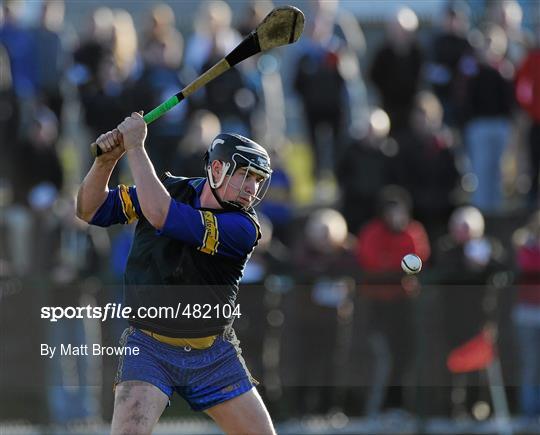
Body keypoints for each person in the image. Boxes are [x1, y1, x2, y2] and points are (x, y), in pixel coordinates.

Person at [76, 112, 276, 434]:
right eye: (245, 176)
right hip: (149, 347)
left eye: (258, 180)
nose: (252, 188)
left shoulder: (243, 227)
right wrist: (105, 163)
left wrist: (136, 147)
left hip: (212, 353)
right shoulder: (168, 189)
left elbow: (160, 215)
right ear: (216, 169)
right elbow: (89, 209)